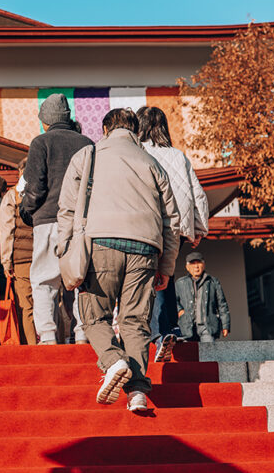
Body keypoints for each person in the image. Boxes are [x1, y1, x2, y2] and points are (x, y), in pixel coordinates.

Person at [57, 108, 180, 414]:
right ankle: (137, 392)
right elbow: (172, 220)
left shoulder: (88, 156)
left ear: (105, 129)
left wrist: (65, 249)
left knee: (94, 317)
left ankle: (114, 362)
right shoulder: (151, 163)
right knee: (135, 321)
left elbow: (67, 209)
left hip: (100, 243)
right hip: (145, 248)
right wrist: (166, 266)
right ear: (135, 131)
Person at [136, 106, 210, 360]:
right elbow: (197, 193)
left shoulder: (139, 152)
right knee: (167, 270)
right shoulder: (178, 155)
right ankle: (172, 327)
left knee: (152, 273)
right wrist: (198, 229)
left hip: (150, 222)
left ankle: (160, 331)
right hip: (178, 225)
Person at [20, 93, 93, 344]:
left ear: (45, 120)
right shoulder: (87, 143)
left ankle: (48, 335)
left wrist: (28, 210)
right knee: (81, 278)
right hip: (81, 221)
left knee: (44, 279)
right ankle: (82, 333)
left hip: (48, 219)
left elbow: (34, 187)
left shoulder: (40, 143)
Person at [0, 160, 37, 344]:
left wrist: (6, 262)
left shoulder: (12, 196)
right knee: (49, 302)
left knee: (26, 306)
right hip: (45, 256)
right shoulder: (46, 192)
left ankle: (32, 346)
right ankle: (53, 341)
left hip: (22, 259)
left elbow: (7, 231)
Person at [176, 252, 230, 342]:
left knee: (208, 350)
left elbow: (222, 304)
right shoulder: (180, 283)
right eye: (193, 263)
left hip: (207, 326)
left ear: (203, 265)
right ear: (187, 267)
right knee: (188, 350)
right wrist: (180, 311)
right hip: (186, 327)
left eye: (199, 263)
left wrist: (225, 325)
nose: (196, 266)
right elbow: (173, 301)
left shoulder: (213, 282)